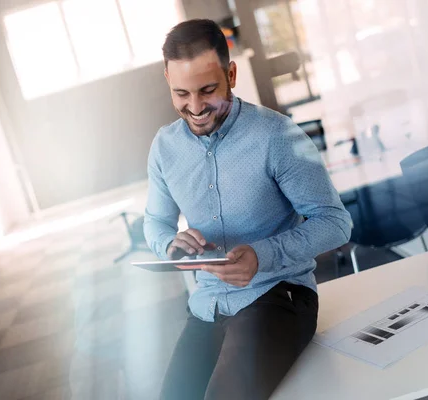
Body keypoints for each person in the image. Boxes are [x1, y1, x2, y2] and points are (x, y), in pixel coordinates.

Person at [143, 19, 352, 400]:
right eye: (181, 94)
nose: (195, 107)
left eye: (207, 90)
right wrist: (170, 244)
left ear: (231, 74)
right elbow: (156, 221)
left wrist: (263, 254)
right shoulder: (164, 148)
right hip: (207, 306)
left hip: (277, 296)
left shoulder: (278, 136)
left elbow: (336, 222)